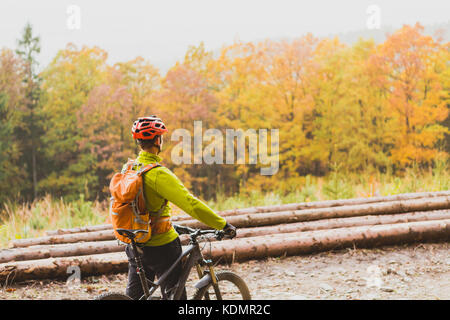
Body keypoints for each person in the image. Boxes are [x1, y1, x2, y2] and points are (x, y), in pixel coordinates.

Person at [124, 115, 237, 300]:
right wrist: (222, 224)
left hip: (135, 243)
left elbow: (141, 208)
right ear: (157, 140)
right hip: (161, 247)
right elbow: (191, 204)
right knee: (175, 296)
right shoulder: (158, 174)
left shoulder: (129, 168)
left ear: (138, 142)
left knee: (135, 297)